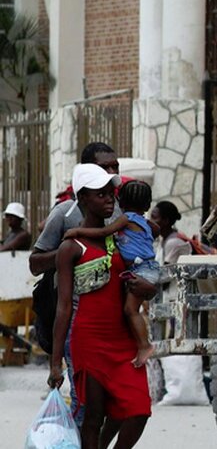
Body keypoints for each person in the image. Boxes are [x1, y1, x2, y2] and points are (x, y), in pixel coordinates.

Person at [48, 163, 156, 449]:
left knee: (139, 409)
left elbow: (144, 278)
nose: (110, 199)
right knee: (93, 419)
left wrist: (151, 289)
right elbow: (63, 308)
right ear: (82, 198)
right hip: (89, 341)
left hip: (123, 341)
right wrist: (55, 362)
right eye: (101, 194)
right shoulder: (71, 247)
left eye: (112, 193)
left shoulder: (121, 237)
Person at [30, 141, 123, 433]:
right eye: (104, 167)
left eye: (114, 167)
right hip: (77, 319)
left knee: (123, 405)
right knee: (87, 406)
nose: (111, 172)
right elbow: (34, 263)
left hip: (115, 320)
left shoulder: (119, 211)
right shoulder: (64, 214)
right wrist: (71, 252)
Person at [64, 180, 159, 368]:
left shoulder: (127, 218)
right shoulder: (145, 222)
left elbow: (105, 231)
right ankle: (140, 344)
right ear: (148, 205)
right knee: (132, 309)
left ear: (120, 202)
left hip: (141, 270)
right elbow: (155, 231)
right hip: (148, 268)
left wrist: (77, 231)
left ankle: (144, 346)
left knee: (130, 310)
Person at [149, 201, 191, 266]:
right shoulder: (164, 239)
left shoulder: (172, 242)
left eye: (154, 218)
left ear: (165, 221)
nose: (149, 221)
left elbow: (166, 271)